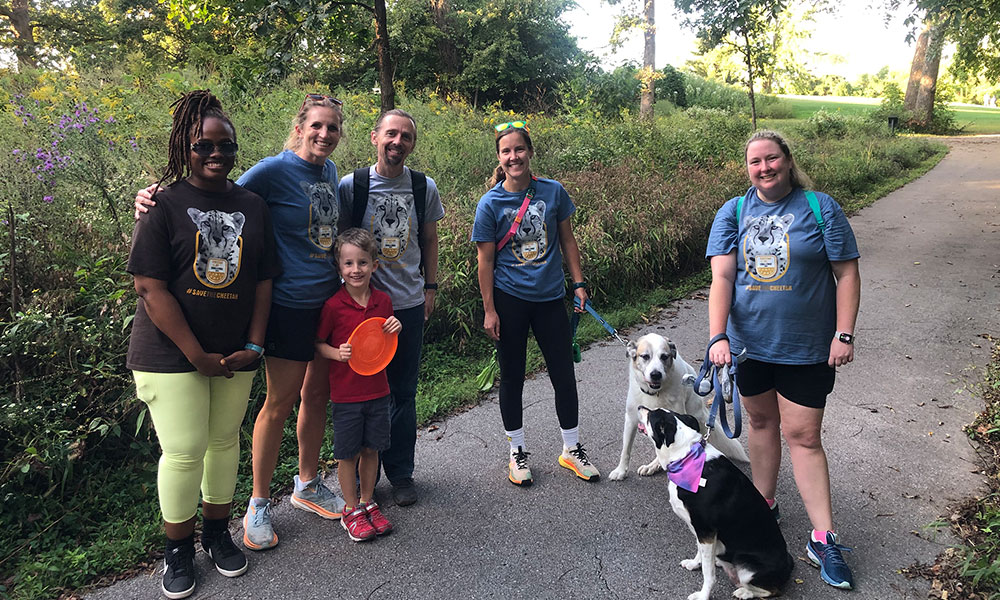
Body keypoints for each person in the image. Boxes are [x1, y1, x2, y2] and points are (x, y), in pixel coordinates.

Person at [135, 94, 347, 550]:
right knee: (279, 402)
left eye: (332, 127)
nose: (324, 134)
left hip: (326, 302)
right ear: (299, 128)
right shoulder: (270, 171)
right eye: (316, 125)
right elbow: (220, 195)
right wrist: (150, 197)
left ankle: (307, 484)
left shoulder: (329, 172)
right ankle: (258, 504)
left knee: (316, 396)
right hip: (288, 304)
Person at [127, 90, 280, 598]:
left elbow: (262, 279)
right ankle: (177, 549)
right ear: (184, 148)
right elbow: (149, 286)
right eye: (204, 145)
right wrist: (196, 355)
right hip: (170, 354)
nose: (216, 153)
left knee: (224, 442)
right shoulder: (162, 204)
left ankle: (216, 533)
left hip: (235, 351)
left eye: (226, 146)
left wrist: (255, 345)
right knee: (185, 450)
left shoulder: (251, 206)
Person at [705, 129, 861, 590]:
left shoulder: (820, 208)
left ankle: (823, 538)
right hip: (749, 346)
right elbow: (722, 278)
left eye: (771, 159)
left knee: (803, 436)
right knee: (760, 423)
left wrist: (844, 333)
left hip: (807, 347)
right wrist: (717, 336)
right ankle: (763, 507)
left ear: (788, 160)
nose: (764, 168)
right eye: (755, 162)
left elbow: (847, 273)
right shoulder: (733, 212)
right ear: (747, 168)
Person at [471, 120, 600, 487]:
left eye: (519, 149)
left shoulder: (553, 192)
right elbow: (485, 261)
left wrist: (578, 284)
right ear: (499, 157)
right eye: (506, 151)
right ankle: (517, 452)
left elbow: (568, 241)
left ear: (530, 152)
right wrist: (489, 310)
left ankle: (571, 449)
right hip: (509, 300)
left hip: (550, 298)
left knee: (563, 374)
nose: (514, 156)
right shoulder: (490, 203)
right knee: (512, 377)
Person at [338, 109, 444, 506]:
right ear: (375, 137)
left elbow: (429, 240)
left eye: (406, 137)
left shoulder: (422, 187)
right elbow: (340, 245)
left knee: (402, 392)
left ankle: (400, 474)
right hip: (362, 309)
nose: (398, 142)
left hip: (408, 306)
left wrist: (430, 287)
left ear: (412, 144)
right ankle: (362, 479)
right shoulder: (353, 185)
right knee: (361, 394)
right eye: (391, 134)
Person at [315, 228, 401, 541]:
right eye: (348, 263)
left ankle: (368, 502)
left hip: (378, 390)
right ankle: (350, 510)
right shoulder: (333, 306)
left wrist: (396, 326)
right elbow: (317, 344)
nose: (356, 270)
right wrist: (335, 353)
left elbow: (385, 342)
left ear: (374, 265)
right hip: (346, 395)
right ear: (339, 267)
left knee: (372, 449)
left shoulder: (383, 302)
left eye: (362, 262)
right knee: (347, 454)